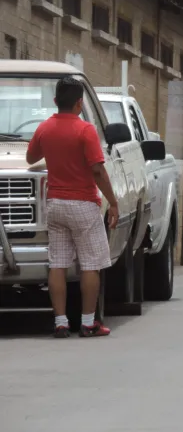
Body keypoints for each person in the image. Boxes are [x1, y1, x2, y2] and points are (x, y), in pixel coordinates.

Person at [26, 76, 119, 338]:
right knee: (90, 265)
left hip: (55, 204)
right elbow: (97, 170)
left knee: (58, 264)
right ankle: (89, 322)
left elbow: (31, 157)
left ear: (56, 101)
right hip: (83, 205)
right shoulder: (86, 130)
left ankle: (61, 321)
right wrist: (113, 202)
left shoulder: (45, 128)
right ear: (80, 103)